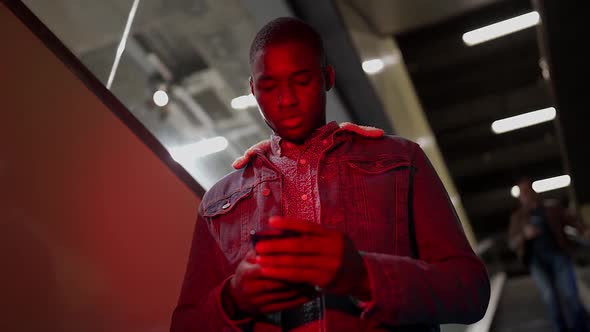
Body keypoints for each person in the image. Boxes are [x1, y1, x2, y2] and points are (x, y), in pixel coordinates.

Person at [171, 17, 490, 331]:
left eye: (302, 80)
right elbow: (184, 325)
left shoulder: (401, 160)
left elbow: (471, 291)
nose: (287, 100)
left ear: (328, 77)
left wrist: (364, 276)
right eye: (269, 86)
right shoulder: (218, 201)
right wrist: (233, 300)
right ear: (253, 90)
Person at [508, 177, 589, 332]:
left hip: (558, 255)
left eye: (528, 190)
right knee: (550, 298)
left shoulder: (551, 207)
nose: (526, 194)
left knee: (570, 294)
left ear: (533, 191)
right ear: (520, 197)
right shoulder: (517, 218)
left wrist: (584, 230)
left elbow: (572, 219)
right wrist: (524, 235)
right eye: (522, 192)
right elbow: (512, 243)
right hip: (536, 262)